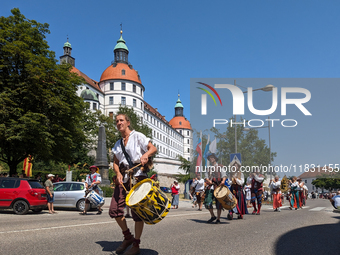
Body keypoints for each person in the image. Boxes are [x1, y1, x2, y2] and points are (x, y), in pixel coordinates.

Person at [109, 113, 157, 255]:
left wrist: (146, 155)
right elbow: (115, 162)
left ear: (128, 122)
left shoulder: (138, 136)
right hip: (123, 179)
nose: (119, 123)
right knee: (115, 210)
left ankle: (136, 244)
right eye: (117, 121)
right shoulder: (118, 143)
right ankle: (127, 237)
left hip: (137, 177)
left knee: (137, 213)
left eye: (121, 120)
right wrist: (117, 173)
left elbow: (152, 148)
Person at [204, 153, 227, 224]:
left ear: (215, 158)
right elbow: (206, 177)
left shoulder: (220, 167)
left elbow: (224, 175)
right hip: (210, 187)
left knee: (218, 203)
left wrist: (223, 181)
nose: (211, 159)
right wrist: (208, 181)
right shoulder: (208, 168)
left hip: (218, 186)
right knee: (207, 202)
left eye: (212, 157)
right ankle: (213, 216)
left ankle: (218, 218)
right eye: (210, 158)